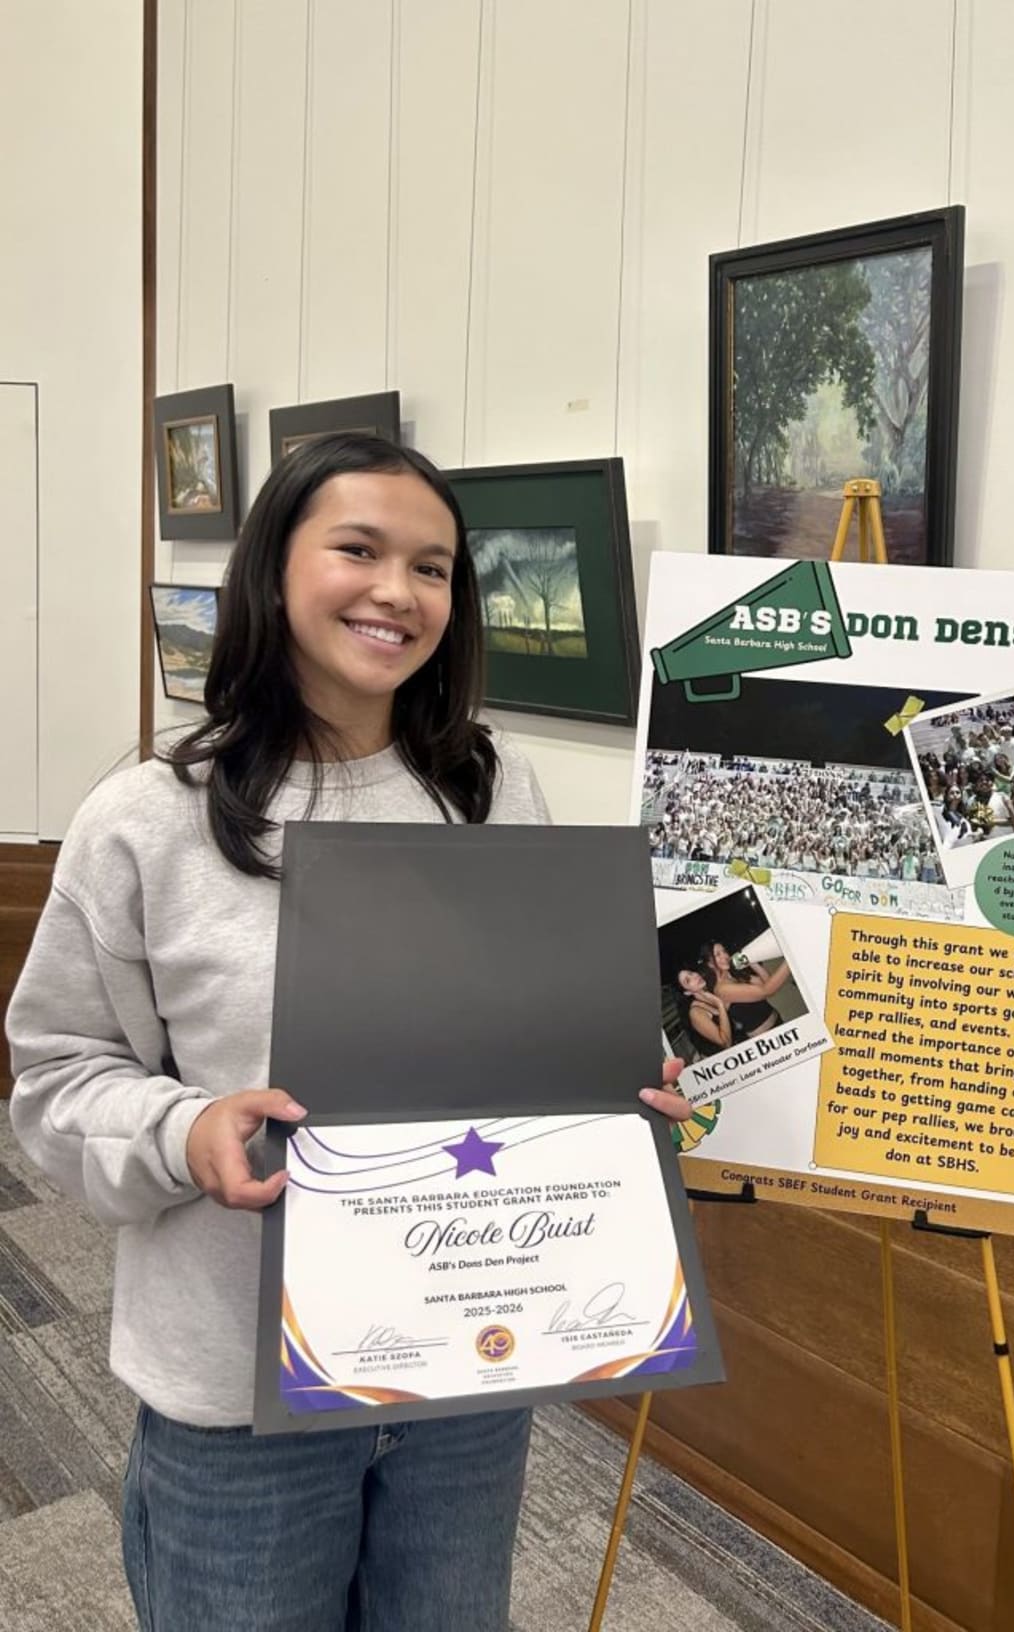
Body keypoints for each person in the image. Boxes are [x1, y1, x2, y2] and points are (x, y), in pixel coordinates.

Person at [4, 433, 692, 1632]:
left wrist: (610, 1088)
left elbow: (521, 1033)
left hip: (467, 1366)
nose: (398, 592)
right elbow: (57, 1081)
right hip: (240, 1388)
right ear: (274, 569)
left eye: (433, 567)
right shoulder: (148, 820)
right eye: (359, 551)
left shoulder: (491, 788)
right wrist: (186, 1129)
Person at [699, 940, 793, 1038]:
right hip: (766, 1037)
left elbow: (767, 982)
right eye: (718, 954)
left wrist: (751, 962)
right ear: (710, 964)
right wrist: (790, 959)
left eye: (724, 951)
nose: (725, 956)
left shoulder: (733, 974)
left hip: (778, 1021)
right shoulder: (721, 989)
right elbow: (767, 991)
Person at [674, 968, 732, 1057]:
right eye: (688, 980)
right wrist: (719, 1004)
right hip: (725, 1060)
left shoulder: (707, 995)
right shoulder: (696, 1012)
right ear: (687, 992)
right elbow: (725, 1043)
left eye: (691, 972)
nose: (695, 976)